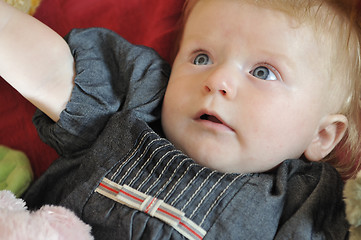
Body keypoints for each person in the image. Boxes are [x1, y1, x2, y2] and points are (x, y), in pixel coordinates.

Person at [0, 0, 360, 238]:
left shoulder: (303, 202)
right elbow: (51, 73)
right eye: (201, 57)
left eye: (263, 72)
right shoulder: (140, 102)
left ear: (323, 136)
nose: (218, 80)